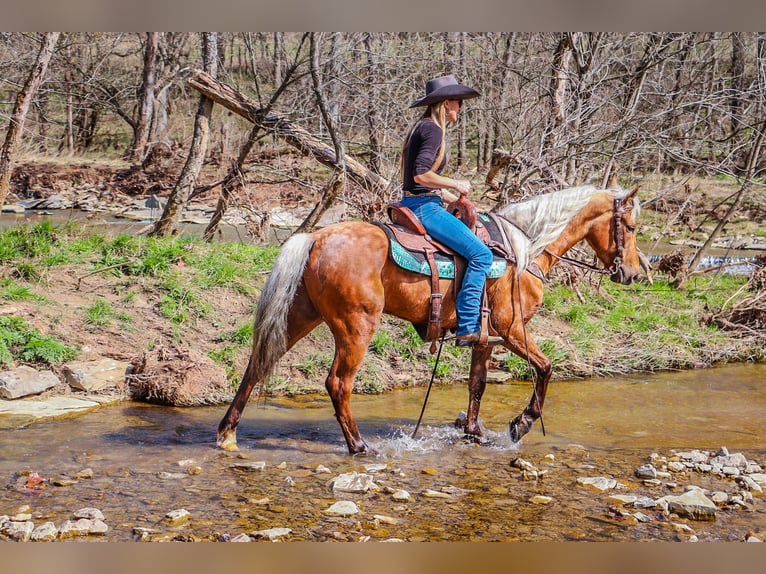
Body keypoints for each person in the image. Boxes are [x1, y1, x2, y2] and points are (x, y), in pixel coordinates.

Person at [400, 74, 503, 348]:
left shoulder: (420, 127)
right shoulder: (433, 130)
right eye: (458, 103)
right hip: (424, 208)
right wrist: (455, 183)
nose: (460, 108)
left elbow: (416, 181)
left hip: (414, 202)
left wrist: (448, 194)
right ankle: (468, 326)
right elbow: (421, 174)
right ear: (446, 103)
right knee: (481, 254)